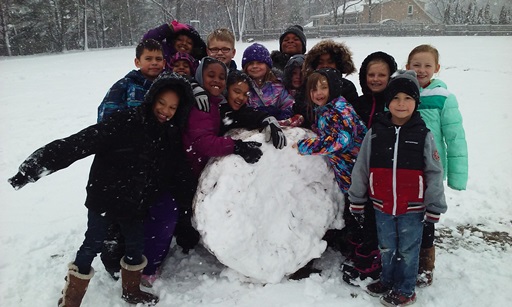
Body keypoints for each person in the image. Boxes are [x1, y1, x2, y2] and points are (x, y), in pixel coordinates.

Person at [7, 72, 196, 306]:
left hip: (134, 203)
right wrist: (33, 168)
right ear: (151, 99)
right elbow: (79, 143)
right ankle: (71, 298)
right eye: (161, 103)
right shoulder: (124, 122)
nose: (165, 111)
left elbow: (177, 172)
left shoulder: (167, 136)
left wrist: (186, 212)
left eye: (172, 107)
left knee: (135, 246)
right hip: (104, 198)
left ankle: (131, 291)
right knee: (92, 244)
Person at [348, 70, 447, 306]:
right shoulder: (375, 133)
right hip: (382, 205)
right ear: (388, 102)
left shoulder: (423, 134)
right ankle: (387, 279)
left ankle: (405, 287)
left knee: (409, 250)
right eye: (395, 98)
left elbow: (434, 171)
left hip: (413, 207)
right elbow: (362, 166)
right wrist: (357, 198)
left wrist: (434, 205)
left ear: (416, 102)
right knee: (387, 247)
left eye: (408, 98)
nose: (401, 104)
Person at [292, 68, 366, 273]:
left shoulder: (340, 109)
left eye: (324, 87)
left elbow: (341, 140)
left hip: (357, 172)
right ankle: (355, 249)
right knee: (352, 212)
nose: (318, 92)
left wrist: (306, 146)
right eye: (313, 89)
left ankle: (363, 256)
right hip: (347, 172)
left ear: (333, 88)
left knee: (359, 215)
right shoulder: (325, 109)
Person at [406, 44, 468, 287]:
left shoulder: (443, 98)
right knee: (406, 215)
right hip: (403, 168)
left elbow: (455, 138)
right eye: (416, 65)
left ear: (437, 68)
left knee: (427, 216)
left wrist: (456, 177)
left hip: (431, 169)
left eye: (427, 65)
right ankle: (403, 258)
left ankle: (425, 263)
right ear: (407, 66)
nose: (421, 70)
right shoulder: (400, 91)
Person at [340, 51, 398, 286]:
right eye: (371, 74)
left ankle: (370, 266)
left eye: (381, 75)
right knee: (356, 213)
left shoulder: (395, 103)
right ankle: (358, 253)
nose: (375, 79)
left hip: (385, 170)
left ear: (390, 76)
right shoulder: (360, 103)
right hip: (357, 169)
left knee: (375, 218)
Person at [183, 56, 264, 177]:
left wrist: (266, 118)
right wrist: (236, 146)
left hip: (197, 167)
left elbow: (245, 115)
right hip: (188, 170)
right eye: (211, 75)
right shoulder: (200, 105)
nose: (216, 80)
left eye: (221, 78)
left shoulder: (216, 103)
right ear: (200, 76)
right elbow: (203, 142)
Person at [294, 39, 359, 129]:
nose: (325, 65)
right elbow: (300, 111)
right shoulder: (307, 86)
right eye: (320, 62)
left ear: (338, 64)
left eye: (330, 62)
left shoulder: (347, 87)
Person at [97, 39, 165, 122]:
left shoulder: (167, 86)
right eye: (148, 59)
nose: (154, 62)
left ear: (164, 63)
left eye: (158, 59)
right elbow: (106, 118)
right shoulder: (123, 86)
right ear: (137, 62)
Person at [220, 70, 286, 150]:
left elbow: (248, 115)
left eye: (246, 94)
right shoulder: (213, 109)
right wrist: (236, 147)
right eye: (237, 92)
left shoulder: (237, 112)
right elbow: (207, 141)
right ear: (226, 89)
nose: (241, 97)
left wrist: (266, 119)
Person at [242, 43, 295, 122]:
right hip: (250, 127)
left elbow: (288, 104)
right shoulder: (242, 86)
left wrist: (282, 114)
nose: (255, 66)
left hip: (277, 125)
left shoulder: (278, 86)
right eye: (251, 63)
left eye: (259, 63)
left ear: (267, 65)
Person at [142, 20, 207, 68]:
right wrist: (168, 29)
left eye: (189, 43)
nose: (184, 43)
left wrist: (199, 42)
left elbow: (207, 55)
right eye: (180, 40)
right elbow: (147, 40)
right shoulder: (164, 51)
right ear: (173, 41)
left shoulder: (194, 61)